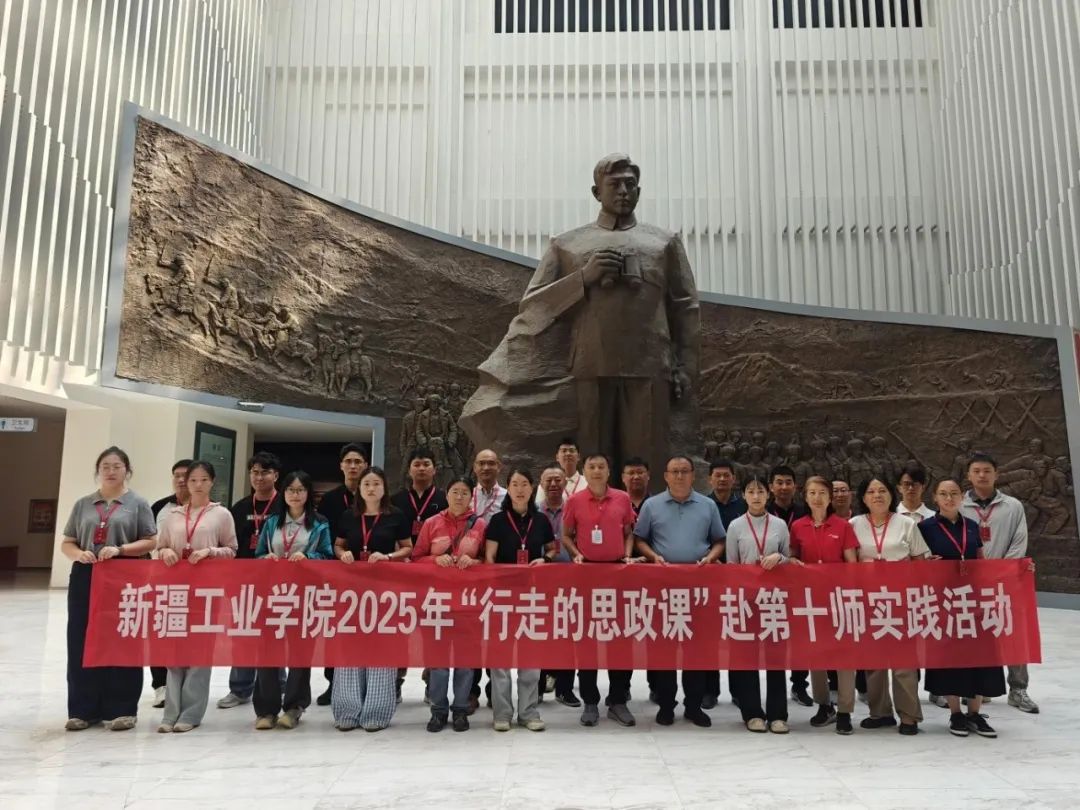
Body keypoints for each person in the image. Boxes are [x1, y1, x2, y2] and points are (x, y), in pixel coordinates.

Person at [60, 447, 157, 731]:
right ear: (98, 470)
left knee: (123, 637)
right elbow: (68, 541)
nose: (111, 471)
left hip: (124, 575)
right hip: (87, 574)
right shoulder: (83, 504)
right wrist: (79, 554)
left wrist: (121, 549)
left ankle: (122, 708)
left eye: (117, 466)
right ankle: (83, 709)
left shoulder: (137, 503)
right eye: (105, 466)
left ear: (127, 470)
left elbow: (151, 540)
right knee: (81, 638)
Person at [633, 455, 725, 728]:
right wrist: (653, 556)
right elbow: (639, 539)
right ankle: (666, 705)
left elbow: (719, 540)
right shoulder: (652, 505)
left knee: (697, 649)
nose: (680, 476)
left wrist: (711, 557)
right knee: (664, 649)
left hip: (698, 588)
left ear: (693, 475)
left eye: (685, 471)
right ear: (666, 476)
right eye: (674, 471)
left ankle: (694, 706)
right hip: (663, 589)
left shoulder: (707, 505)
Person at [154, 461, 237, 732]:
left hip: (207, 591)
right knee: (174, 652)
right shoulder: (173, 515)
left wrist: (210, 552)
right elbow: (160, 547)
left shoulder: (221, 514)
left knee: (200, 653)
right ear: (185, 483)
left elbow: (232, 550)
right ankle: (170, 713)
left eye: (203, 480)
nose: (198, 485)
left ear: (212, 482)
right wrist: (165, 551)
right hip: (176, 590)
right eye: (192, 480)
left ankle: (191, 713)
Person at [920, 478, 1006, 738]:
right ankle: (956, 713)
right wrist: (927, 565)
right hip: (944, 601)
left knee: (980, 654)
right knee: (950, 658)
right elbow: (917, 564)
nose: (949, 498)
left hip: (974, 599)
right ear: (935, 498)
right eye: (943, 494)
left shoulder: (971, 526)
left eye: (954, 493)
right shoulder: (925, 527)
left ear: (961, 497)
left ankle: (975, 713)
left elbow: (981, 561)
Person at [561, 453, 638, 728]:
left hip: (618, 575)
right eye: (591, 467)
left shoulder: (622, 498)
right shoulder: (574, 501)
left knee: (621, 639)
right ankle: (590, 701)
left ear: (608, 471)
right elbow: (565, 534)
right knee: (588, 641)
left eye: (601, 466)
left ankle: (618, 700)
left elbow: (629, 532)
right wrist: (576, 554)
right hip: (587, 577)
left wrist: (627, 555)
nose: (596, 471)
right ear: (585, 471)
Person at [253, 470, 333, 730]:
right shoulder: (272, 522)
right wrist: (264, 558)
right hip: (273, 595)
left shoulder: (319, 523)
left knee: (300, 652)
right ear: (283, 492)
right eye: (290, 489)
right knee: (267, 652)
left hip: (304, 596)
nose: (295, 495)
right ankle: (266, 709)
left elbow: (327, 556)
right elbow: (259, 554)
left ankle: (294, 706)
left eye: (300, 490)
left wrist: (309, 558)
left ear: (308, 494)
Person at [332, 467, 411, 731]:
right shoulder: (349, 515)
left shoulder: (395, 515)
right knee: (350, 648)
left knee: (382, 648)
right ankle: (347, 709)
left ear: (384, 488)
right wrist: (342, 554)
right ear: (360, 488)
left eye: (376, 483)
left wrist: (388, 557)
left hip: (385, 591)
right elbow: (338, 544)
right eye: (366, 484)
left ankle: (377, 710)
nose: (371, 488)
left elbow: (408, 548)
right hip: (351, 592)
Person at [850, 476, 929, 735]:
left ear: (891, 495)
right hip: (868, 601)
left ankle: (909, 715)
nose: (877, 495)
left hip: (900, 600)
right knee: (873, 661)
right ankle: (880, 712)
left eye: (882, 490)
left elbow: (919, 562)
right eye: (871, 491)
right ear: (863, 498)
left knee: (904, 661)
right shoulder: (854, 524)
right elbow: (848, 562)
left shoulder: (906, 523)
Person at [961, 452, 1038, 714]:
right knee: (974, 634)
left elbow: (1019, 541)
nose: (982, 475)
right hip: (970, 583)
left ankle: (1018, 689)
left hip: (1007, 580)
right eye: (976, 471)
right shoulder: (959, 506)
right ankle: (979, 688)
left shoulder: (1013, 506)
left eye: (987, 470)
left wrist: (1001, 572)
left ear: (997, 474)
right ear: (969, 475)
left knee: (1013, 634)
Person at [413, 477, 487, 732]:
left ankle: (460, 710)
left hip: (468, 602)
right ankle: (438, 710)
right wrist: (435, 561)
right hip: (437, 601)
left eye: (464, 492)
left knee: (465, 661)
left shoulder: (480, 524)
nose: (459, 497)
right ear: (446, 495)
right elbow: (416, 558)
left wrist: (474, 562)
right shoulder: (431, 523)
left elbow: (488, 561)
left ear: (471, 497)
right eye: (455, 491)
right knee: (438, 661)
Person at [484, 469, 556, 732]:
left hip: (531, 596)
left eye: (524, 484)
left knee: (530, 659)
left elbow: (552, 548)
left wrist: (545, 559)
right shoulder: (498, 520)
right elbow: (489, 557)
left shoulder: (541, 520)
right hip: (502, 597)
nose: (520, 489)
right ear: (508, 488)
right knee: (500, 660)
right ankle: (502, 713)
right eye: (514, 484)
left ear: (532, 487)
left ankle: (528, 712)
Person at [789, 476, 860, 734]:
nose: (817, 498)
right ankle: (824, 705)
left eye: (822, 492)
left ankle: (845, 710)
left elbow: (852, 563)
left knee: (844, 657)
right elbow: (793, 556)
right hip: (811, 601)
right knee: (816, 655)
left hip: (840, 599)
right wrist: (792, 562)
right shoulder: (798, 526)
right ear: (805, 497)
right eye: (812, 493)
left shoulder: (843, 526)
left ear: (830, 497)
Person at [724, 475, 792, 733]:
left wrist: (779, 558)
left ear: (768, 494)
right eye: (751, 491)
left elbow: (789, 557)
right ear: (743, 495)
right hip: (746, 600)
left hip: (774, 600)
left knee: (776, 658)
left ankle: (778, 714)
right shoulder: (735, 526)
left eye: (760, 491)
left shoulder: (779, 525)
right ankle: (752, 713)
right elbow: (731, 564)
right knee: (746, 658)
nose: (756, 496)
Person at [218, 451, 283, 709]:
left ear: (275, 475)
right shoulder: (240, 507)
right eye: (254, 472)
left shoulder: (284, 505)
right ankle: (240, 688)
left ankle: (278, 685)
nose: (259, 477)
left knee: (276, 633)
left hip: (277, 582)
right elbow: (230, 545)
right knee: (243, 633)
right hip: (244, 581)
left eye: (265, 472)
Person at [389, 447, 448, 703]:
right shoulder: (396, 500)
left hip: (434, 574)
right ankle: (396, 680)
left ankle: (430, 682)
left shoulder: (445, 499)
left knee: (431, 628)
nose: (421, 468)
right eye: (417, 464)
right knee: (400, 628)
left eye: (426, 464)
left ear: (435, 469)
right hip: (402, 574)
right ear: (409, 469)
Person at [314, 442, 369, 705]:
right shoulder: (331, 499)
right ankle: (333, 682)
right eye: (349, 461)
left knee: (367, 629)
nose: (353, 466)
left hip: (369, 574)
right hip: (336, 571)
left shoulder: (374, 495)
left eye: (358, 461)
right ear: (341, 466)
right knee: (336, 628)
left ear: (366, 465)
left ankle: (369, 682)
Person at [148, 458, 193, 709]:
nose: (181, 480)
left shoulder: (208, 509)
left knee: (189, 635)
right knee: (159, 632)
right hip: (160, 580)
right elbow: (147, 540)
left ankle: (186, 686)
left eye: (187, 475)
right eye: (177, 475)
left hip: (195, 584)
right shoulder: (159, 507)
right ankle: (161, 686)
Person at [767, 465, 812, 706]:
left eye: (788, 482)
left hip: (799, 585)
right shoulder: (762, 511)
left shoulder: (805, 512)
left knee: (800, 638)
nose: (783, 487)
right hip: (767, 586)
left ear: (795, 486)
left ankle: (799, 685)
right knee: (772, 636)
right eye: (779, 482)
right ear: (771, 487)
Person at [536, 465, 580, 708]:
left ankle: (565, 688)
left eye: (557, 480)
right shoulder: (534, 511)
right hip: (540, 582)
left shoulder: (575, 509)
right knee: (539, 634)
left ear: (565, 483)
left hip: (570, 580)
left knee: (568, 634)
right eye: (548, 480)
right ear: (541, 484)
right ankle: (538, 687)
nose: (553, 484)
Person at [704, 458, 747, 709]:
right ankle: (710, 690)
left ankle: (739, 690)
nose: (722, 479)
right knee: (709, 636)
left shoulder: (744, 505)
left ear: (733, 479)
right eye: (717, 475)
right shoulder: (702, 505)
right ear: (709, 479)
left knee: (737, 636)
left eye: (726, 475)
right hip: (709, 578)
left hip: (739, 580)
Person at [536, 438, 588, 504]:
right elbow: (539, 508)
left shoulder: (588, 483)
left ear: (578, 457)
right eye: (564, 451)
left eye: (572, 451)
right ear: (557, 457)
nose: (568, 454)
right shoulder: (546, 484)